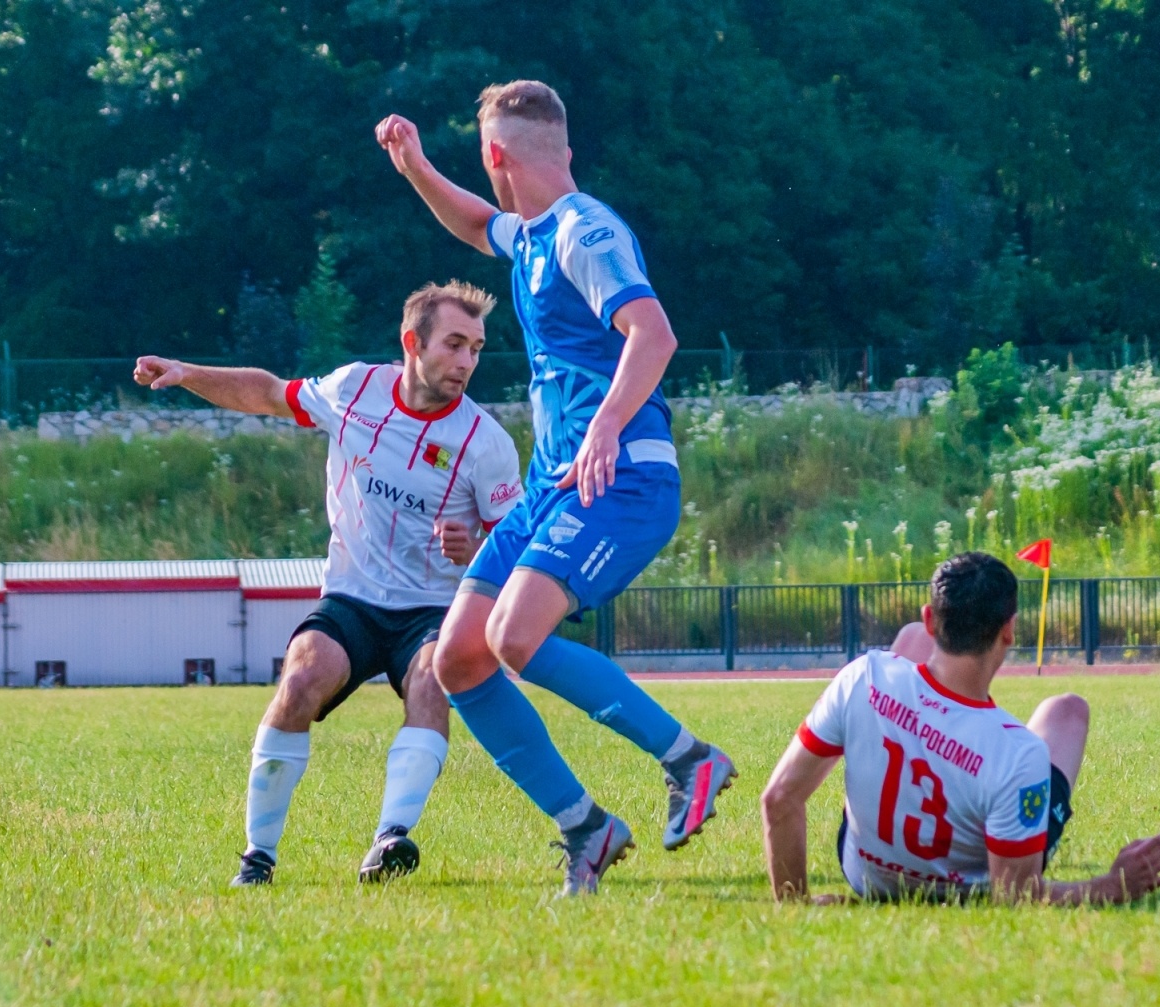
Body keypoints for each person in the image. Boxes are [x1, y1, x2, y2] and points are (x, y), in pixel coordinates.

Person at [375, 80, 735, 895]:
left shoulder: (584, 232)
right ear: (559, 150)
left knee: (513, 638)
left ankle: (691, 760)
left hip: (620, 475)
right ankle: (587, 829)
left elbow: (655, 333)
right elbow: (474, 222)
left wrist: (606, 424)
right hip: (558, 478)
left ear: (497, 156)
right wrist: (416, 167)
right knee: (459, 657)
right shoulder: (534, 231)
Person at [133, 281, 522, 887]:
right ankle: (257, 858)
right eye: (453, 344)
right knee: (303, 674)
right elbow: (266, 392)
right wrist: (186, 373)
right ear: (411, 343)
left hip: (433, 608)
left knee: (431, 679)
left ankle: (390, 839)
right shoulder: (354, 390)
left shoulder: (486, 443)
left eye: (476, 348)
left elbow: (513, 550)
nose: (467, 362)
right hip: (353, 598)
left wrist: (474, 551)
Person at [760, 552, 1160, 904]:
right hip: (964, 889)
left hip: (865, 872)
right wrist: (1111, 886)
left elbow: (779, 799)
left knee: (906, 644)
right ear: (1009, 631)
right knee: (1067, 710)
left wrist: (794, 906)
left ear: (932, 619)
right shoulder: (1020, 755)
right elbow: (1014, 896)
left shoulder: (861, 676)